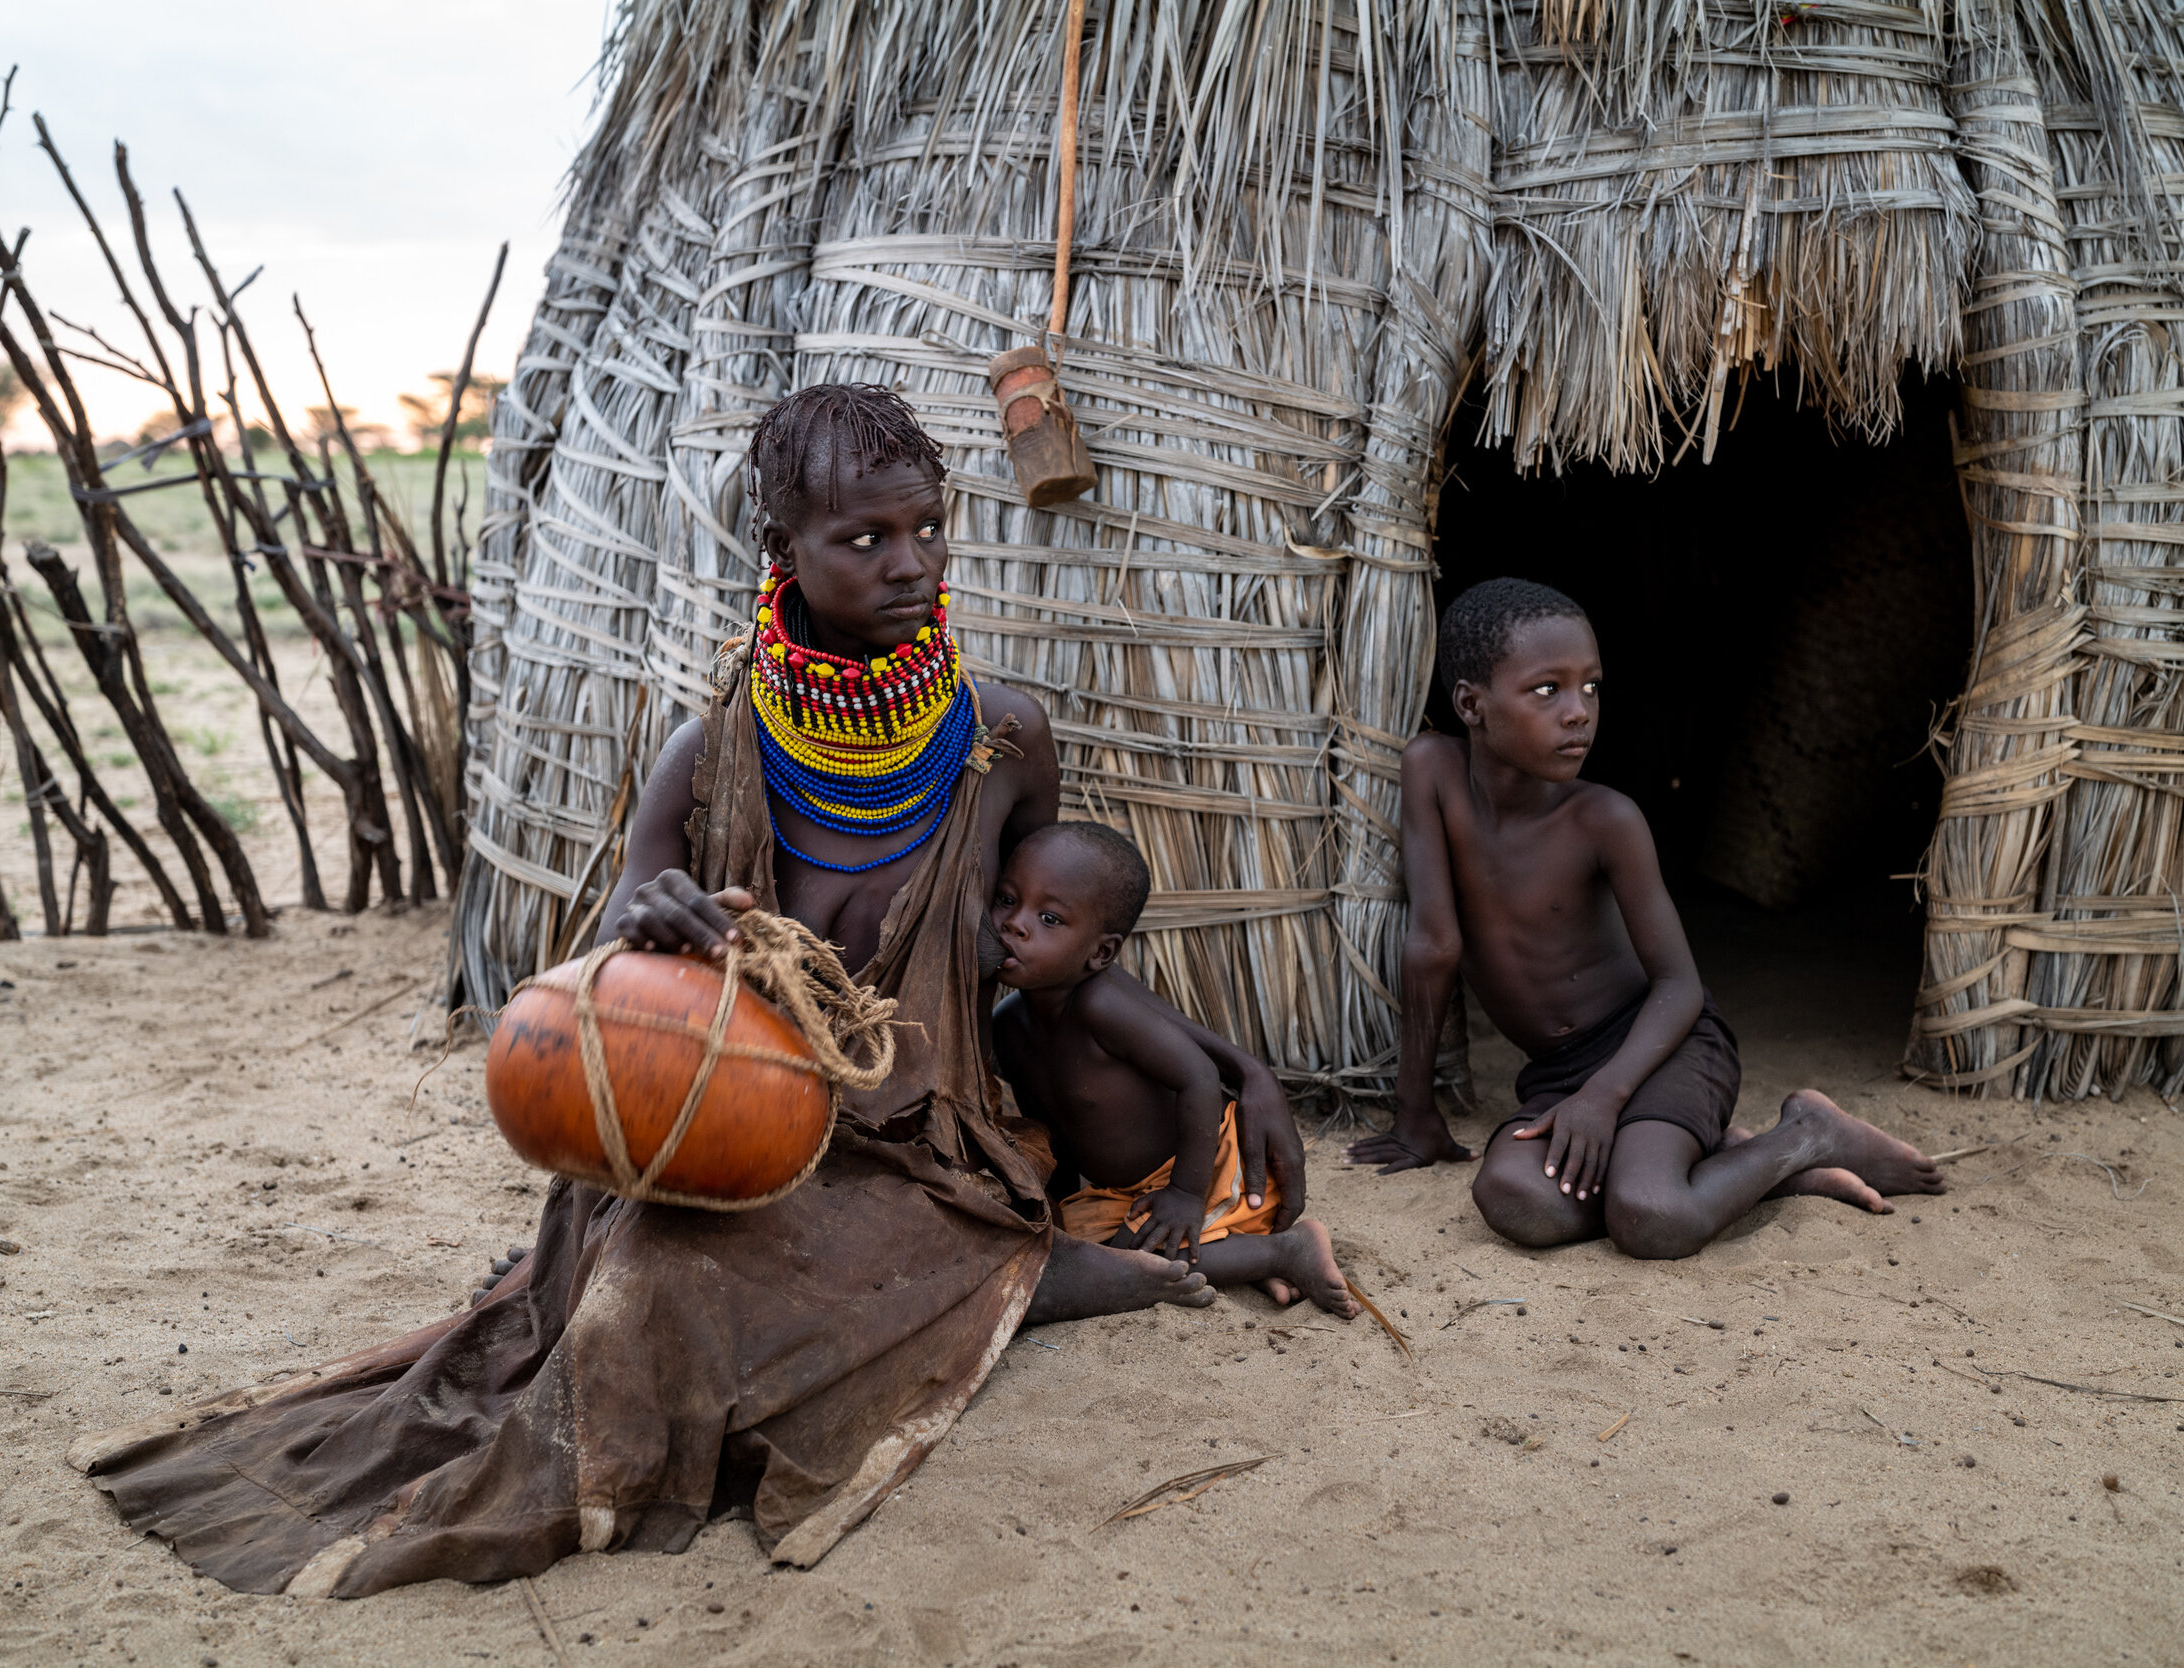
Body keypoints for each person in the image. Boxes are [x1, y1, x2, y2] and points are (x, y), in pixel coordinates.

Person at [72, 385, 1308, 1595]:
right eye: (864, 537)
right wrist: (648, 917)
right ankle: (1020, 1286)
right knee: (633, 1280)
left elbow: (1060, 950)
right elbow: (615, 938)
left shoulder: (1001, 740)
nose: (910, 561)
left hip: (914, 1140)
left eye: (928, 525)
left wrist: (1231, 1065)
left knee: (672, 1297)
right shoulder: (713, 751)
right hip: (724, 1133)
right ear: (783, 550)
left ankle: (1021, 1272)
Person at [1342, 578, 1943, 1256]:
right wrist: (1415, 1113)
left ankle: (1806, 1135)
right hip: (1559, 1074)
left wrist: (1605, 1096)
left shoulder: (1605, 821)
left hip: (1663, 1050)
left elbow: (1680, 987)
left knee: (1652, 1218)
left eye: (1591, 688)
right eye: (1549, 690)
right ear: (1470, 705)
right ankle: (1711, 1167)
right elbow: (1433, 945)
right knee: (1513, 1199)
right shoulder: (1431, 770)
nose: (1579, 712)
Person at [990, 821, 1358, 1317]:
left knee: (1132, 1254)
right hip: (1123, 1193)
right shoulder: (1008, 1027)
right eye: (1006, 900)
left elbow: (1200, 1077)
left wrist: (1185, 1194)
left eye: (1050, 919)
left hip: (1205, 1165)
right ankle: (1243, 1260)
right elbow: (1048, 1122)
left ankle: (1286, 1251)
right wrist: (1055, 1207)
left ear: (1100, 952)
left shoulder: (1101, 1006)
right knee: (1074, 1253)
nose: (1015, 924)